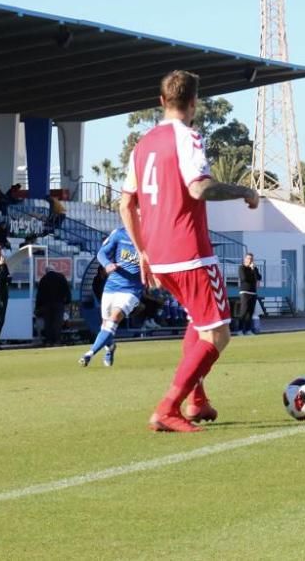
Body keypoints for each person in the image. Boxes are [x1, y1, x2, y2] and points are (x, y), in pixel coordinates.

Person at [119, 70, 259, 433]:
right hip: (190, 250)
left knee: (199, 325)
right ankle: (168, 407)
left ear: (162, 101)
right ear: (195, 103)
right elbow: (198, 189)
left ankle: (196, 401)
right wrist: (244, 191)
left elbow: (125, 204)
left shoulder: (142, 144)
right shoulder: (189, 136)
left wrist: (143, 253)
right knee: (219, 333)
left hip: (159, 255)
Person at [79, 226, 142, 367]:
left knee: (113, 319)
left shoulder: (151, 236)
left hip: (132, 290)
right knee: (105, 325)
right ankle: (110, 347)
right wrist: (107, 264)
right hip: (112, 286)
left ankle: (89, 353)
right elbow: (101, 253)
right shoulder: (119, 234)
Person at [36, 268, 71, 346]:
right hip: (59, 303)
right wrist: (67, 301)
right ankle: (57, 341)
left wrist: (37, 307)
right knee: (57, 323)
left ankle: (49, 341)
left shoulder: (43, 279)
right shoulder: (61, 277)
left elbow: (39, 295)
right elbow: (67, 290)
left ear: (46, 271)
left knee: (48, 323)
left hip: (47, 304)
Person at [237, 253, 261, 335]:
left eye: (251, 259)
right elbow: (244, 278)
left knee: (250, 312)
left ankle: (248, 330)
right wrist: (253, 277)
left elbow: (258, 278)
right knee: (243, 311)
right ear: (245, 259)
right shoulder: (241, 268)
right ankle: (239, 330)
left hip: (253, 292)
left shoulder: (254, 268)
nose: (249, 260)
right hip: (245, 292)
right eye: (248, 258)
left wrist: (253, 270)